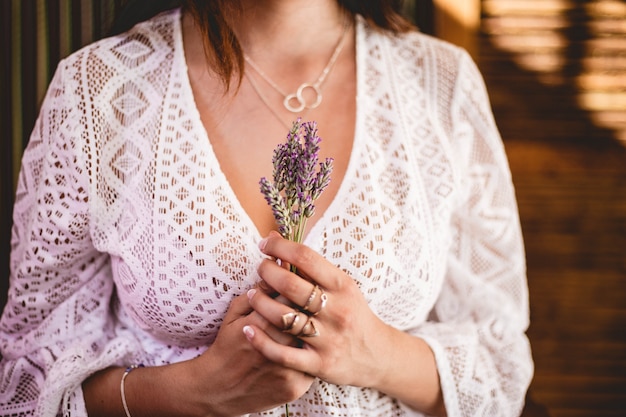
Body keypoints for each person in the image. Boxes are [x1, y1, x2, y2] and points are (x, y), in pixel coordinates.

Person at [0, 0, 534, 416]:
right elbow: (25, 376)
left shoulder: (439, 82)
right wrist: (191, 393)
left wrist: (380, 356)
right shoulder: (99, 92)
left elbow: (499, 365)